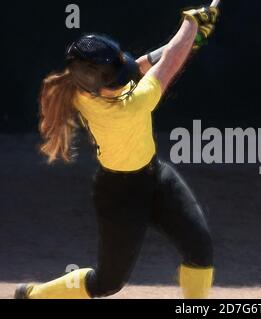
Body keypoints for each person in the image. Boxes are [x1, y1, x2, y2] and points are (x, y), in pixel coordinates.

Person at [14, 5, 219, 299]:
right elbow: (169, 62)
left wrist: (193, 40)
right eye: (117, 78)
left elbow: (137, 67)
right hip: (119, 196)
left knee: (200, 248)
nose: (124, 80)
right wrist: (191, 24)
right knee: (106, 284)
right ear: (97, 85)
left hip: (156, 177)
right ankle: (34, 295)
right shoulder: (129, 107)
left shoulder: (83, 89)